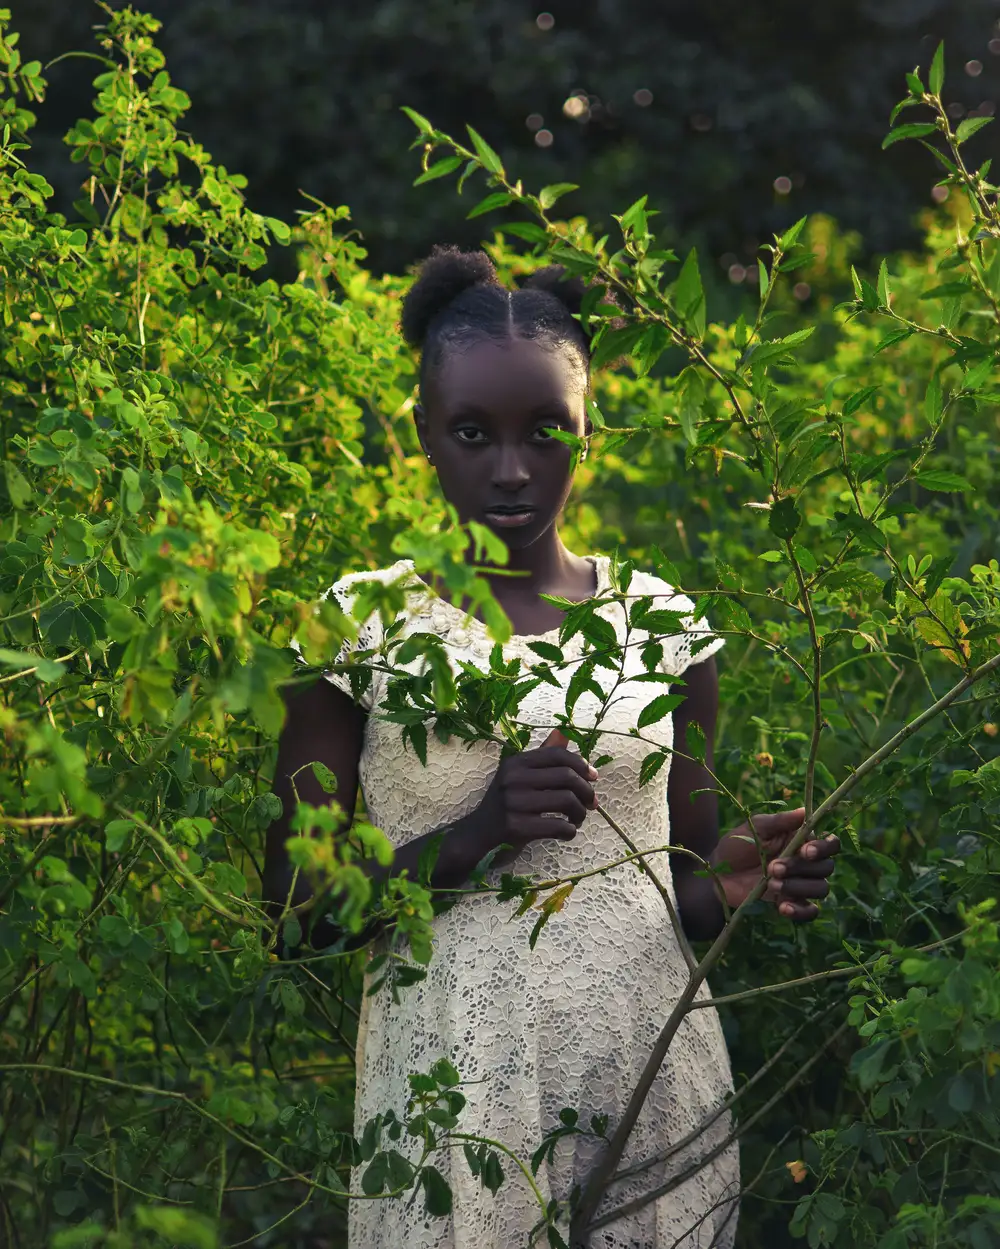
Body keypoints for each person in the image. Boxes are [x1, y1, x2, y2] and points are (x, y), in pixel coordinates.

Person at [263, 246, 841, 1248]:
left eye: (546, 431)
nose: (512, 468)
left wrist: (734, 882)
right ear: (424, 435)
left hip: (652, 1086)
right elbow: (291, 913)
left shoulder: (663, 628)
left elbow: (681, 887)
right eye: (473, 432)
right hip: (449, 1105)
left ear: (587, 432)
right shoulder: (362, 629)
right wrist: (474, 831)